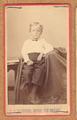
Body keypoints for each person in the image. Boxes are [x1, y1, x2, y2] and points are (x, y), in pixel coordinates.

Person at [21, 22, 53, 104]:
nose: (35, 33)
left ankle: (33, 93)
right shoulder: (27, 42)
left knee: (39, 72)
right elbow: (23, 51)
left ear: (41, 32)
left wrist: (42, 54)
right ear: (30, 32)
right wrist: (27, 60)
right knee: (27, 72)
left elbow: (50, 48)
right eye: (33, 30)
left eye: (38, 31)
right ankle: (29, 90)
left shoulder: (43, 41)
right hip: (29, 61)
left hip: (39, 62)